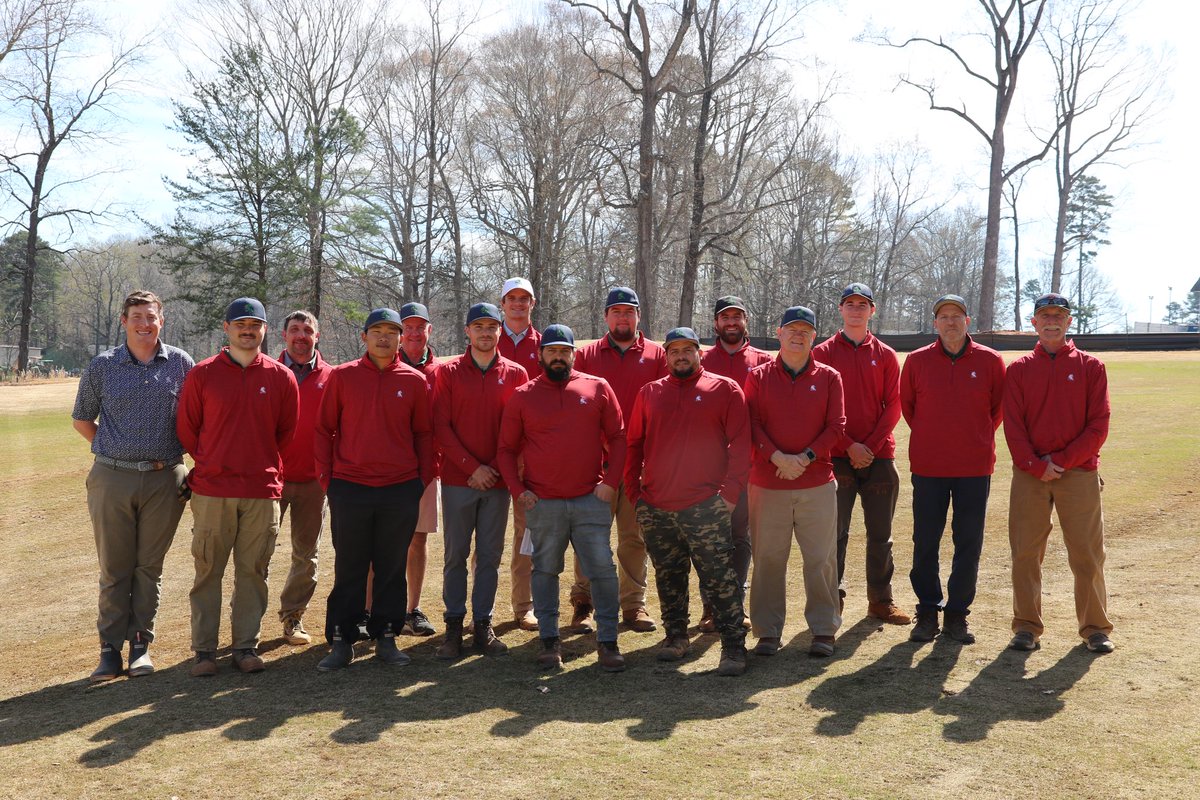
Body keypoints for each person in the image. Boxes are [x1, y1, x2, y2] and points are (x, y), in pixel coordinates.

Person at [72, 290, 195, 681]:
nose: (145, 324)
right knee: (115, 568)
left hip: (165, 478)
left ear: (163, 321)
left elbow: (195, 421)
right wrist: (114, 451)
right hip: (112, 477)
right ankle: (109, 651)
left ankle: (140, 646)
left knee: (148, 569)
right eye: (137, 317)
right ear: (123, 321)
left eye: (152, 317)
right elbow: (81, 420)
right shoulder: (103, 366)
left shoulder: (181, 364)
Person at [177, 297, 299, 676]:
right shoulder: (203, 374)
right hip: (213, 490)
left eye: (255, 324)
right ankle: (204, 651)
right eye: (240, 324)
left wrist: (255, 462)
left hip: (262, 491)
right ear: (226, 328)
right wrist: (213, 462)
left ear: (265, 329)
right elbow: (187, 428)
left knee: (253, 571)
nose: (248, 330)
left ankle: (246, 646)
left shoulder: (281, 377)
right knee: (208, 571)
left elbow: (286, 433)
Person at [497, 324, 627, 672]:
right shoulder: (524, 395)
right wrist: (518, 489)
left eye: (563, 351)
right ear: (541, 354)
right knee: (545, 570)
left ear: (573, 353)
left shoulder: (596, 387)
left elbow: (618, 437)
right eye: (551, 351)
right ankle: (550, 640)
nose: (557, 356)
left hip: (590, 499)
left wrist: (611, 482)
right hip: (543, 503)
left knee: (602, 570)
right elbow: (506, 450)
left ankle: (608, 641)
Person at [625, 327, 751, 676]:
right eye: (674, 350)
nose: (681, 356)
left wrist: (729, 495)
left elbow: (741, 446)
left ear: (699, 352)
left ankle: (733, 646)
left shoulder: (724, 389)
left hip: (705, 505)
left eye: (688, 349)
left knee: (719, 578)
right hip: (658, 506)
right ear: (665, 356)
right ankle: (676, 636)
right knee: (669, 575)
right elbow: (634, 445)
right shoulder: (650, 393)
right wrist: (636, 496)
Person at [315, 308, 435, 671]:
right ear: (364, 337)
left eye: (391, 332)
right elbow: (324, 431)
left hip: (399, 489)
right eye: (377, 331)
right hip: (350, 487)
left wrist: (420, 480)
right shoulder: (343, 377)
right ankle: (341, 639)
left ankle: (386, 635)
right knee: (350, 565)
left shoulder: (414, 381)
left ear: (401, 339)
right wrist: (328, 481)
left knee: (391, 566)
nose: (384, 337)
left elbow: (424, 435)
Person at [1004, 293, 1114, 654]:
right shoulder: (1019, 370)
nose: (1052, 320)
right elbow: (1013, 427)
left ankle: (1095, 627)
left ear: (1069, 322)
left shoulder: (1090, 366)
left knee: (1086, 553)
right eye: (1044, 315)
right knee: (1025, 552)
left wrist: (1063, 461)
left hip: (1078, 472)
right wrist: (1037, 465)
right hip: (1030, 474)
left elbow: (1099, 425)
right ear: (1033, 323)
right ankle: (1026, 626)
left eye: (1059, 315)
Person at [900, 295, 1005, 645]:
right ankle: (927, 611)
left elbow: (997, 410)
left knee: (968, 542)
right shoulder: (916, 361)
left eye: (956, 316)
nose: (950, 322)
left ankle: (957, 615)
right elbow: (909, 409)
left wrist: (971, 437)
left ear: (967, 321)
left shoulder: (991, 361)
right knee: (925, 541)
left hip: (974, 468)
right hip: (929, 466)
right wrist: (937, 437)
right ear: (935, 324)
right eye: (943, 316)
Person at [745, 306, 846, 657]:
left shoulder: (830, 377)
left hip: (815, 481)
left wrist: (803, 458)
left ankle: (823, 629)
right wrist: (776, 457)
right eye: (792, 329)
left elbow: (836, 426)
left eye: (805, 330)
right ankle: (767, 631)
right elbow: (752, 423)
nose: (798, 335)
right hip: (767, 482)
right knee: (769, 559)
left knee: (820, 558)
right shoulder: (758, 376)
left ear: (814, 336)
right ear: (779, 333)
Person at [432, 303, 528, 659]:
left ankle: (482, 625)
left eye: (492, 326)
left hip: (499, 483)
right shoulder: (449, 372)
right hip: (459, 480)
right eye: (479, 326)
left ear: (500, 330)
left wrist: (498, 470)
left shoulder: (516, 374)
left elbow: (519, 429)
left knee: (489, 556)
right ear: (467, 331)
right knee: (456, 556)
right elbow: (441, 426)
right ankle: (453, 627)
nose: (486, 332)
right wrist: (471, 467)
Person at [812, 283, 909, 625]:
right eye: (849, 304)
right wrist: (848, 445)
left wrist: (870, 445)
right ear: (841, 309)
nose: (856, 309)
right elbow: (819, 408)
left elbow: (893, 404)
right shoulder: (822, 352)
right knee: (834, 533)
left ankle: (881, 600)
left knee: (880, 534)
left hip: (879, 456)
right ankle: (831, 599)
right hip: (836, 456)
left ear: (872, 310)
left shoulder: (884, 354)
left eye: (862, 304)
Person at [572, 286, 666, 634]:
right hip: (595, 466)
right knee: (589, 537)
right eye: (616, 311)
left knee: (633, 538)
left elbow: (663, 409)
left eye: (629, 311)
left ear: (639, 315)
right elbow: (575, 408)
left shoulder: (657, 355)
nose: (623, 317)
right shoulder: (586, 355)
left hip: (638, 466)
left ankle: (633, 605)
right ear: (606, 316)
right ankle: (584, 603)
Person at [699, 295, 771, 631]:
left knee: (741, 537)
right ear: (716, 322)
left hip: (749, 465)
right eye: (725, 316)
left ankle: (736, 603)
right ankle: (710, 606)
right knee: (708, 537)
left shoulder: (762, 361)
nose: (731, 322)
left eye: (737, 316)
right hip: (706, 466)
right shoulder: (700, 359)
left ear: (746, 321)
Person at [275, 310, 334, 646]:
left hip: (314, 482)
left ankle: (292, 616)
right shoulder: (268, 371)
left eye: (307, 330)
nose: (301, 335)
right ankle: (248, 623)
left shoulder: (332, 376)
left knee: (306, 554)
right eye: (294, 329)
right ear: (284, 335)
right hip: (271, 480)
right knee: (258, 553)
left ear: (317, 335)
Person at [497, 277, 542, 631]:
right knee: (482, 536)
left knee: (527, 532)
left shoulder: (543, 346)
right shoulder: (487, 339)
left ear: (532, 303)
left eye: (523, 298)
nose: (517, 304)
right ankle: (479, 609)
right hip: (487, 452)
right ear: (502, 304)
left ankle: (523, 604)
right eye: (511, 298)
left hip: (528, 454)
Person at [398, 301, 441, 637]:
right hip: (386, 468)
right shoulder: (385, 365)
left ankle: (413, 609)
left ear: (429, 330)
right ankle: (375, 611)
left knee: (417, 539)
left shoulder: (441, 372)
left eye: (420, 327)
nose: (414, 333)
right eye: (407, 327)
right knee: (379, 542)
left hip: (426, 468)